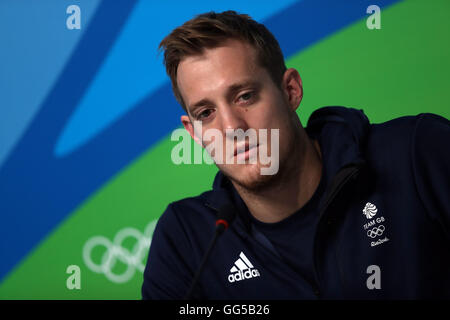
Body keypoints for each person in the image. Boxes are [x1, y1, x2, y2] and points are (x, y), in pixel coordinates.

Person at [142, 11, 450, 299]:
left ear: (290, 90)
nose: (233, 127)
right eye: (207, 113)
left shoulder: (417, 152)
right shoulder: (186, 239)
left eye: (245, 96)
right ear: (194, 132)